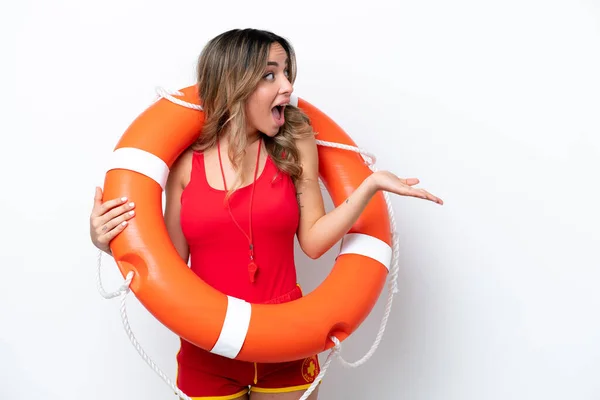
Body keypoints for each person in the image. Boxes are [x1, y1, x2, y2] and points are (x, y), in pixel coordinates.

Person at [89, 28, 443, 400]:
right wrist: (109, 243)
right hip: (207, 346)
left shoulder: (294, 144)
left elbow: (314, 241)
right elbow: (171, 264)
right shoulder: (184, 166)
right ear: (234, 83)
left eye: (288, 73)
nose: (287, 86)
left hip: (287, 339)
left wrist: (369, 188)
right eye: (270, 75)